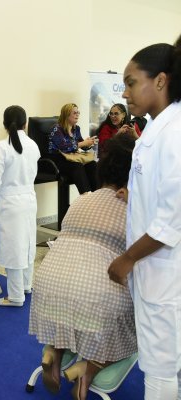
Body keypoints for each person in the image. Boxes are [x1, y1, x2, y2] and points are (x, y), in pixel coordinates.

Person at [29, 134, 137, 400]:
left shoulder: (82, 199)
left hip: (47, 290)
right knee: (136, 326)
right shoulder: (134, 208)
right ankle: (86, 369)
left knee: (71, 312)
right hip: (94, 301)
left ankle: (53, 352)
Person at [108, 34, 181, 399]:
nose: (125, 93)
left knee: (160, 368)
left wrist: (126, 258)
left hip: (163, 272)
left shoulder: (175, 133)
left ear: (161, 81)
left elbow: (170, 222)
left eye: (131, 83)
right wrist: (133, 194)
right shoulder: (155, 127)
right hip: (156, 271)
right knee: (163, 361)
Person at [0, 105, 40, 307]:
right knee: (28, 243)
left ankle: (15, 296)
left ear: (5, 124)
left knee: (14, 247)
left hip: (10, 203)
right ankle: (26, 286)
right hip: (29, 200)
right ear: (26, 123)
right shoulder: (33, 145)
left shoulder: (2, 146)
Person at [48, 103, 97, 194]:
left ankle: (97, 194)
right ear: (66, 114)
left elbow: (82, 145)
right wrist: (82, 143)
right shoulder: (56, 129)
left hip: (71, 158)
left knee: (92, 164)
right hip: (58, 159)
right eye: (74, 113)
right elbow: (64, 147)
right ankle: (85, 196)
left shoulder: (76, 128)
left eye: (78, 112)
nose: (77, 115)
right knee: (77, 166)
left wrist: (89, 143)